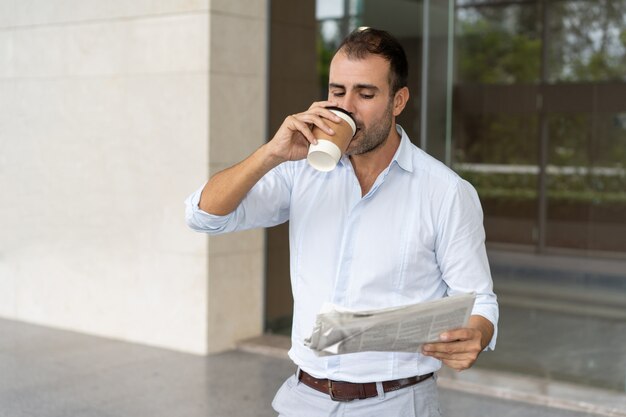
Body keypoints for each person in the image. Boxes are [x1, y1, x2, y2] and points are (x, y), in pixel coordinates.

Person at [186, 27, 498, 417]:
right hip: (304, 397)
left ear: (398, 100)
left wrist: (477, 334)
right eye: (337, 92)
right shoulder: (299, 169)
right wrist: (272, 153)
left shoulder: (446, 192)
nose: (346, 107)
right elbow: (204, 216)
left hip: (397, 403)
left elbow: (479, 299)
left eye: (365, 94)